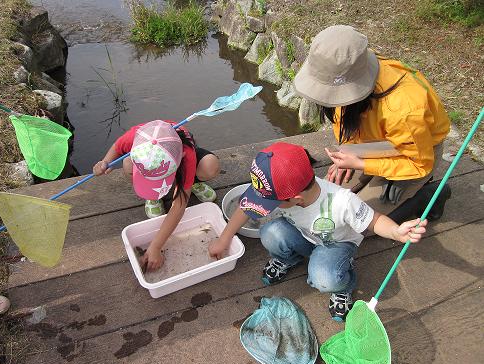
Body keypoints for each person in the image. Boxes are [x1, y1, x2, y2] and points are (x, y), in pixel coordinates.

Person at [208, 143, 427, 321]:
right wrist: (224, 239)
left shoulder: (342, 201)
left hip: (336, 243)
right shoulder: (275, 184)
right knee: (270, 231)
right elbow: (245, 207)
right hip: (303, 234)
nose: (265, 206)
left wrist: (397, 232)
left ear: (295, 200)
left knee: (324, 278)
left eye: (270, 202)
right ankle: (290, 258)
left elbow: (374, 220)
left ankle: (344, 285)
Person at [293, 25, 452, 223]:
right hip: (374, 145)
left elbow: (419, 162)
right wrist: (349, 151)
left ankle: (428, 194)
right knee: (327, 199)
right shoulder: (352, 67)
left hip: (413, 155)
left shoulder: (404, 108)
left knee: (359, 222)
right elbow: (346, 116)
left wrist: (359, 163)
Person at [93, 120, 220, 271]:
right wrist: (106, 161)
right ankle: (153, 195)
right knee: (127, 163)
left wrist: (155, 246)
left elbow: (179, 204)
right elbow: (117, 147)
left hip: (180, 157)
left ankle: (192, 181)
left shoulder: (187, 154)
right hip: (154, 156)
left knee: (210, 165)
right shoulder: (135, 137)